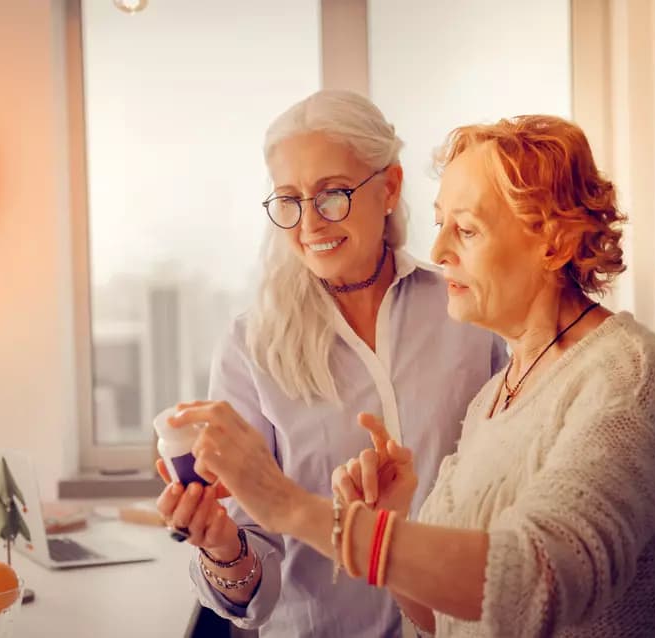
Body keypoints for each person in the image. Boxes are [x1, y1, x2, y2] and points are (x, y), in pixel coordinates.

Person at [167, 115, 655, 637]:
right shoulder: (494, 399)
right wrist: (393, 521)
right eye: (439, 224)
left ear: (552, 241)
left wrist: (292, 508)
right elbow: (440, 619)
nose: (437, 250)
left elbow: (535, 583)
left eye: (468, 230)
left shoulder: (632, 380)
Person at [154, 90, 504, 637]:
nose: (310, 223)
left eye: (332, 194)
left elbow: (500, 495)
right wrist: (223, 546)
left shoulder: (466, 309)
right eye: (288, 200)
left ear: (389, 187)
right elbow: (257, 593)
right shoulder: (252, 345)